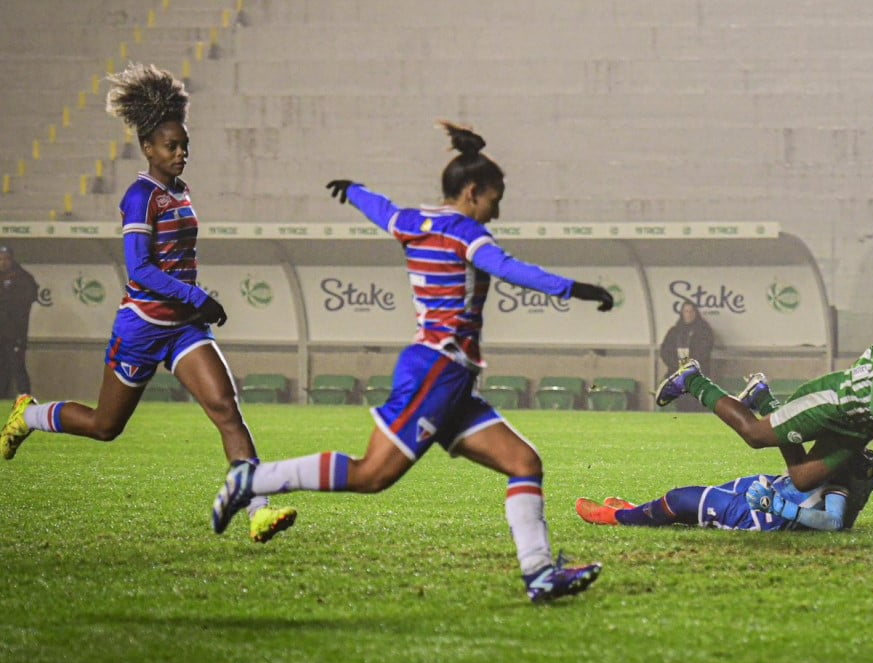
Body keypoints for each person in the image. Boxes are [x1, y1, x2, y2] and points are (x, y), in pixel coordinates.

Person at [210, 121, 615, 604]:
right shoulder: (466, 234)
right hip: (436, 372)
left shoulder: (412, 221)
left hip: (451, 379)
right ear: (472, 192)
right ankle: (252, 479)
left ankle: (540, 575)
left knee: (524, 462)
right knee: (371, 476)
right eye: (495, 197)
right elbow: (510, 270)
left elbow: (382, 210)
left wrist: (355, 191)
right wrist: (578, 289)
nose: (497, 208)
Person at [0, 63, 297, 543]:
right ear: (148, 149)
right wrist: (196, 296)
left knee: (226, 408)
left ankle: (259, 511)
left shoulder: (181, 191)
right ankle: (29, 415)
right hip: (141, 327)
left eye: (184, 147)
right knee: (104, 426)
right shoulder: (140, 197)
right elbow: (139, 270)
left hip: (183, 329)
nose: (180, 154)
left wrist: (193, 306)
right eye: (171, 147)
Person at [654, 263, 873, 524]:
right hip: (829, 404)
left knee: (803, 480)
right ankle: (694, 380)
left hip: (859, 430)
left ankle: (764, 396)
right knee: (755, 435)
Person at [575, 448, 873, 532]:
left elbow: (834, 522)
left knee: (681, 499)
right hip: (768, 486)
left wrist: (779, 508)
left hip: (764, 515)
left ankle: (616, 518)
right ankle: (637, 510)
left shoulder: (840, 482)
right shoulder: (839, 458)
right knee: (698, 500)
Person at [659, 300, 714, 412]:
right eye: (686, 311)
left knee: (695, 402)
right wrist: (677, 365)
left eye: (691, 311)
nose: (689, 314)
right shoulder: (674, 331)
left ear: (696, 313)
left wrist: (690, 366)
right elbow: (665, 351)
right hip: (676, 373)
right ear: (682, 313)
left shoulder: (704, 331)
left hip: (697, 374)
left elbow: (704, 351)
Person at [0, 245, 38, 398]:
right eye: (0, 260)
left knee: (18, 367)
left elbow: (26, 301)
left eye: (5, 259)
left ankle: (25, 398)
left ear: (12, 259)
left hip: (15, 333)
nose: (2, 263)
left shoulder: (24, 278)